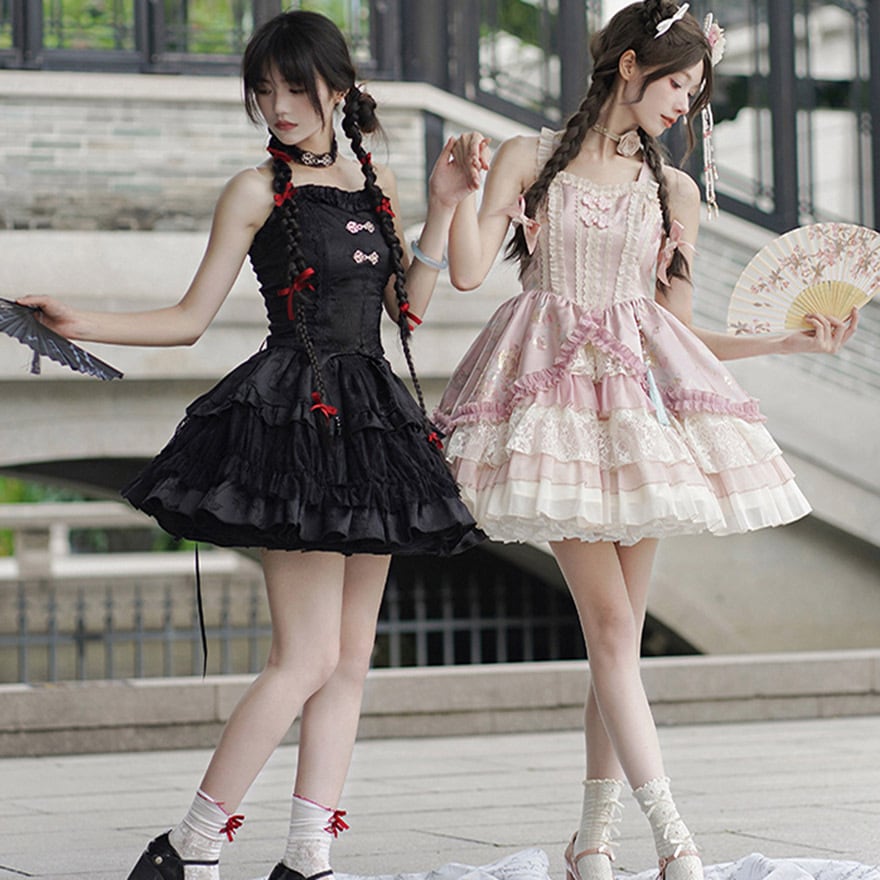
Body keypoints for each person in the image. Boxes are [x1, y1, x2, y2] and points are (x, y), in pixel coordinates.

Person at [19, 10, 483, 880]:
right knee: (304, 657)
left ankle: (307, 857)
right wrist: (81, 320)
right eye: (264, 91)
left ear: (338, 90)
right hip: (295, 421)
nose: (278, 106)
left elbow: (409, 310)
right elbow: (189, 318)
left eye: (294, 89)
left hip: (371, 424)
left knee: (350, 660)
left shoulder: (374, 183)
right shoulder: (255, 189)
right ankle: (189, 844)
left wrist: (447, 205)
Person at [434, 3, 858, 880]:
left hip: (638, 418)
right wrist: (457, 198)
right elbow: (470, 272)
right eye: (679, 85)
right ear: (629, 64)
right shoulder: (528, 157)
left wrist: (786, 342)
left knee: (615, 640)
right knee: (611, 623)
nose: (685, 106)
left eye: (695, 94)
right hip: (552, 412)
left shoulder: (675, 192)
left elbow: (681, 330)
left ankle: (593, 841)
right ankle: (674, 839)